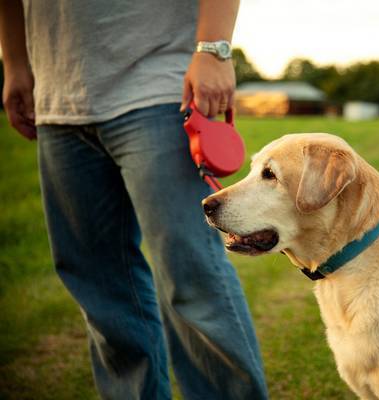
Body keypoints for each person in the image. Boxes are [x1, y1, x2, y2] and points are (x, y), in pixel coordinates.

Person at [0, 1, 269, 399]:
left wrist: (214, 48)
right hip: (57, 99)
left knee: (190, 272)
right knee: (100, 286)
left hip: (159, 89)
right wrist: (15, 61)